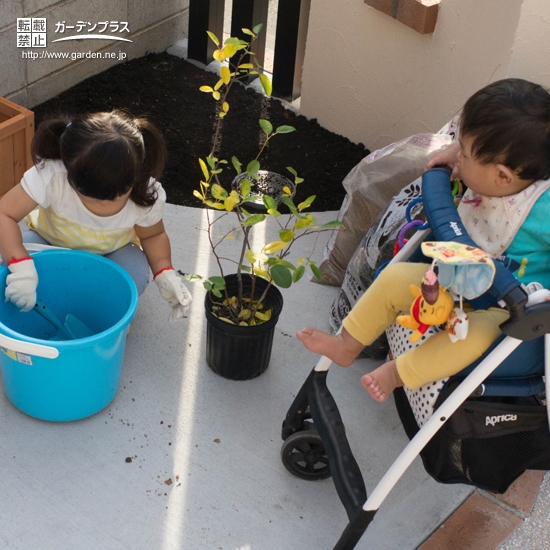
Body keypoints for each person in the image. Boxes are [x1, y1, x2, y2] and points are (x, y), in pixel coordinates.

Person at [297, 78, 550, 401]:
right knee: (394, 276)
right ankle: (347, 344)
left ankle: (397, 373)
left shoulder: (542, 207)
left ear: (502, 176)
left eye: (466, 155)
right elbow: (471, 148)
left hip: (505, 309)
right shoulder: (503, 168)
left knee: (470, 339)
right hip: (457, 278)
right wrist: (455, 150)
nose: (459, 160)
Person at [0, 110, 192, 322]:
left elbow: (152, 236)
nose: (102, 203)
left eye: (115, 197)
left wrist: (165, 273)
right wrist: (21, 266)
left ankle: (110, 316)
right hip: (49, 241)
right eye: (89, 196)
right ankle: (34, 290)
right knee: (7, 258)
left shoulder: (144, 194)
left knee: (134, 275)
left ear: (137, 176)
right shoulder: (52, 175)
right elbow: (4, 213)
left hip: (111, 252)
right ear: (69, 171)